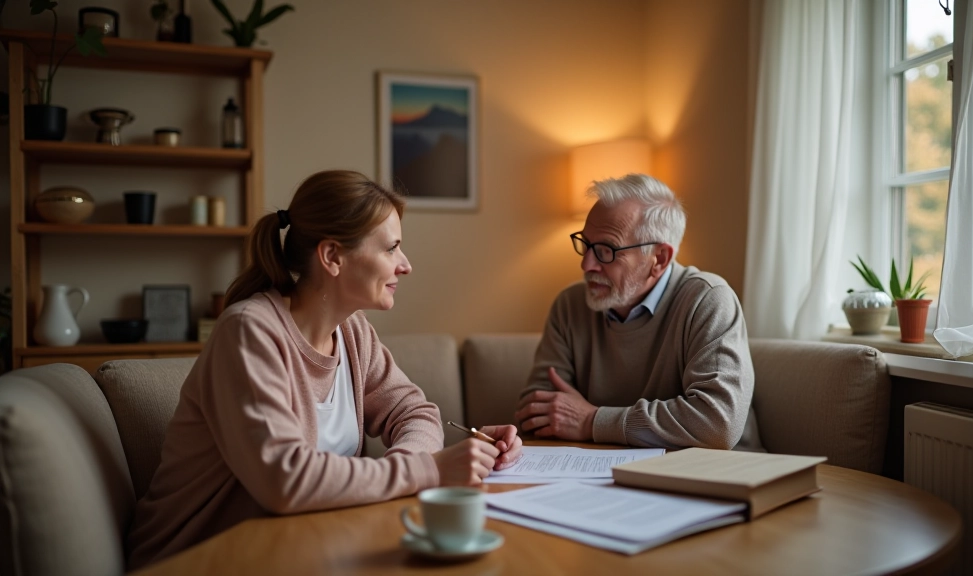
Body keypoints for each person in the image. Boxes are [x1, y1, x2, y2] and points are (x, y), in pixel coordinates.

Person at [128, 170, 521, 569]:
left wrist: (412, 470)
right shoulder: (249, 332)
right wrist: (426, 469)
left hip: (302, 547)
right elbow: (285, 480)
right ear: (332, 256)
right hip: (198, 560)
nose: (405, 265)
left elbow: (416, 412)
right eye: (391, 249)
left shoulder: (352, 332)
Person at [514, 173, 762, 451]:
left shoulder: (708, 300)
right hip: (607, 475)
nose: (586, 265)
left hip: (717, 476)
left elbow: (718, 424)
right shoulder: (570, 306)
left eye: (606, 250)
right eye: (585, 244)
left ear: (659, 259)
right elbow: (535, 413)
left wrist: (592, 421)